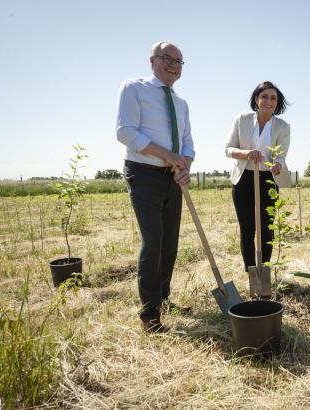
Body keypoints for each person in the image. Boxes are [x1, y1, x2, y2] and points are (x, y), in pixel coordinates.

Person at [116, 41, 195, 333]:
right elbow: (124, 132)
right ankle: (150, 313)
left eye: (179, 62)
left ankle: (162, 298)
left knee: (170, 243)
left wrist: (184, 165)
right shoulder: (134, 88)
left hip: (172, 177)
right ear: (153, 61)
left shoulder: (181, 104)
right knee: (153, 241)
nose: (174, 65)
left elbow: (187, 142)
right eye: (167, 58)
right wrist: (168, 156)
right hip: (144, 173)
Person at [225, 81, 291, 275]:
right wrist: (246, 154)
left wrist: (278, 164)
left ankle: (264, 273)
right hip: (244, 178)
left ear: (277, 103)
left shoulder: (283, 126)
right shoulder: (242, 119)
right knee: (247, 230)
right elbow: (228, 149)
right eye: (264, 97)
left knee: (266, 230)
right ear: (256, 99)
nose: (268, 101)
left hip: (268, 180)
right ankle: (251, 274)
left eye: (273, 98)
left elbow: (280, 155)